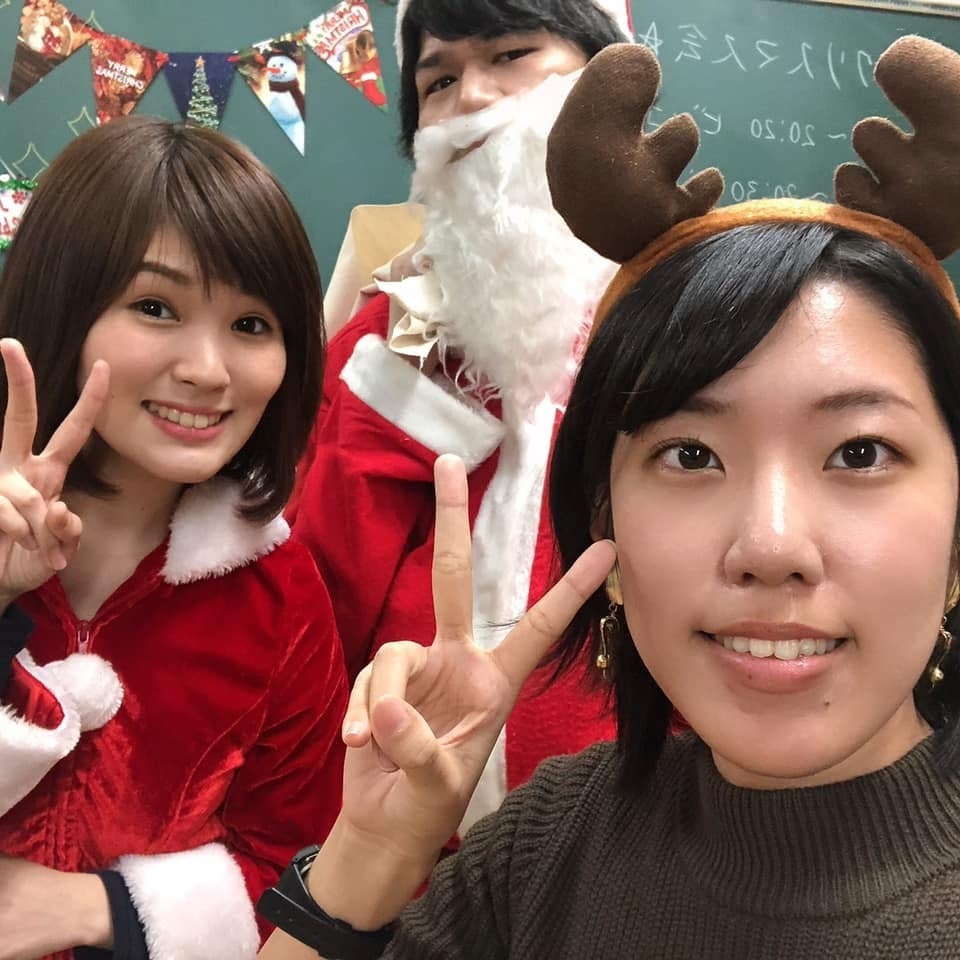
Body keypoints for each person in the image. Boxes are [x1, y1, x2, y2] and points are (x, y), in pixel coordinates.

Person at [260, 35, 960, 960]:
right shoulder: (540, 850)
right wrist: (372, 857)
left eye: (860, 452)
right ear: (606, 526)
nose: (771, 544)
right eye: (690, 455)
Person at [0, 116, 348, 960]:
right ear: (63, 304)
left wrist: (102, 909)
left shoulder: (282, 596)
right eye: (155, 307)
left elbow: (309, 866)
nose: (208, 370)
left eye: (252, 324)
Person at [290, 0, 631, 833]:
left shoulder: (682, 314)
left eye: (511, 55)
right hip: (396, 817)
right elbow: (316, 598)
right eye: (437, 80)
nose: (472, 97)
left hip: (631, 824)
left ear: (611, 77)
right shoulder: (385, 335)